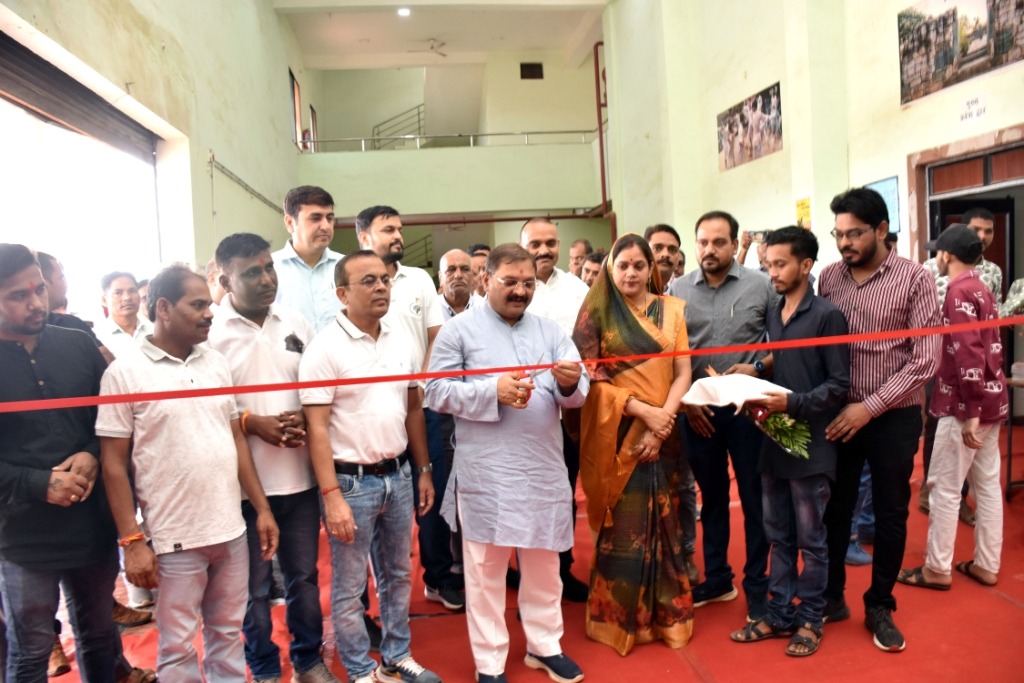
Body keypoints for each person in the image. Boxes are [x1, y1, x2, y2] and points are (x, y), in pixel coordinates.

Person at [98, 265, 280, 681]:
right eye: (197, 305)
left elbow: (236, 440)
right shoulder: (124, 373)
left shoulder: (215, 364)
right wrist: (132, 541)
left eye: (207, 305)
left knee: (227, 633)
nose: (209, 313)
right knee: (178, 645)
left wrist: (262, 509)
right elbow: (113, 465)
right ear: (163, 308)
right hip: (174, 539)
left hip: (230, 530)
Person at [426, 243, 588, 683]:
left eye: (528, 283)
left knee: (544, 564)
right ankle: (490, 662)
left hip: (541, 468)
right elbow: (435, 392)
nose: (520, 291)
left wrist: (570, 383)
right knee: (485, 571)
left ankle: (545, 645)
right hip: (487, 474)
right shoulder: (457, 331)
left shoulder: (550, 331)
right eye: (510, 282)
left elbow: (578, 391)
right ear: (486, 280)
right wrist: (489, 391)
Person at [300, 251, 440, 683]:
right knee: (349, 586)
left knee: (398, 574)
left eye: (384, 279)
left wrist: (423, 470)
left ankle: (397, 656)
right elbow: (316, 429)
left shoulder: (401, 339)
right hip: (350, 483)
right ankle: (361, 669)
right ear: (342, 294)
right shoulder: (324, 349)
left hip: (398, 475)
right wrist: (331, 496)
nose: (381, 287)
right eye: (368, 281)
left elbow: (413, 409)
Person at [0, 244, 134, 682]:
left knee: (99, 634)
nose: (36, 303)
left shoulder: (77, 344)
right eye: (18, 295)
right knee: (31, 651)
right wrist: (38, 483)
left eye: (39, 289)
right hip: (22, 535)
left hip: (91, 525)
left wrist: (93, 455)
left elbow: (115, 422)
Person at [208, 233, 337, 683]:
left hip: (299, 479)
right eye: (252, 272)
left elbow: (318, 388)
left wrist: (304, 416)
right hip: (242, 488)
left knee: (304, 578)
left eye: (269, 268)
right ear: (225, 280)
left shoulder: (295, 321)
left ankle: (307, 660)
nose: (266, 279)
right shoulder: (211, 334)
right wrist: (251, 423)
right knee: (254, 588)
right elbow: (206, 409)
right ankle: (263, 668)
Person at [818, 187, 939, 653]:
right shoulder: (830, 277)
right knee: (835, 508)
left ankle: (880, 605)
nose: (844, 243)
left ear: (882, 229)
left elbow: (925, 360)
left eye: (854, 234)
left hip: (893, 416)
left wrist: (869, 406)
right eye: (838, 234)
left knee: (889, 512)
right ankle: (831, 596)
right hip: (840, 415)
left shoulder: (915, 279)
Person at [728, 227, 849, 657]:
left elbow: (839, 385)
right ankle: (779, 613)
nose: (772, 272)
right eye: (768, 264)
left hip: (812, 446)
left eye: (780, 264)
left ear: (806, 265)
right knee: (778, 536)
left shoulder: (828, 316)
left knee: (812, 541)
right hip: (774, 442)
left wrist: (793, 402)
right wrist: (757, 370)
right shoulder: (777, 312)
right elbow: (785, 356)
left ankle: (811, 618)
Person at [572, 234, 694, 655]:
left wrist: (661, 423)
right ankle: (618, 618)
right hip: (619, 432)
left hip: (665, 432)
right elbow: (592, 378)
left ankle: (665, 616)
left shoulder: (672, 310)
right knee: (621, 528)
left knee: (666, 522)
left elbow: (683, 374)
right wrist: (643, 413)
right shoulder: (597, 313)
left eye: (639, 265)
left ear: (650, 269)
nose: (630, 273)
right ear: (610, 268)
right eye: (622, 265)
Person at [670, 211, 778, 621]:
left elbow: (783, 343)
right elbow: (670, 354)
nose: (709, 249)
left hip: (747, 409)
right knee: (712, 498)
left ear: (735, 244)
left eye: (719, 242)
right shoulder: (677, 290)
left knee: (755, 499)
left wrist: (759, 367)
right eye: (703, 242)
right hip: (698, 411)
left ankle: (758, 586)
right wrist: (686, 401)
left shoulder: (761, 286)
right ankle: (718, 579)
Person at [897, 225, 1007, 590]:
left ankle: (937, 568)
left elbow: (968, 353)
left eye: (938, 252)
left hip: (964, 405)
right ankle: (986, 565)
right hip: (991, 398)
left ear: (947, 255)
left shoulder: (958, 292)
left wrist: (970, 411)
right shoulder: (982, 288)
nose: (936, 258)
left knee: (944, 487)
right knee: (986, 485)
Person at [519, 218, 591, 602]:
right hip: (523, 416)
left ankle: (562, 570)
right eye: (535, 244)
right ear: (523, 246)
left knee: (564, 493)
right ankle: (531, 580)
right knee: (527, 499)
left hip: (569, 414)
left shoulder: (578, 290)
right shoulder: (511, 289)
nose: (544, 250)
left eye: (550, 242)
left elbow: (590, 347)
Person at [919, 207, 1002, 522]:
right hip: (941, 364)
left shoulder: (991, 273)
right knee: (936, 428)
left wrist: (974, 402)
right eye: (977, 230)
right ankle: (929, 492)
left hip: (971, 375)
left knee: (956, 471)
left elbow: (977, 338)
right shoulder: (930, 269)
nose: (982, 237)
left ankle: (955, 506)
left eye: (988, 231)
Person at [643, 225, 700, 584]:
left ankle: (685, 556)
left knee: (682, 487)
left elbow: (685, 364)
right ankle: (645, 562)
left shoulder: (679, 300)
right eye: (657, 247)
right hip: (634, 413)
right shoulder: (621, 302)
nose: (665, 254)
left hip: (677, 410)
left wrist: (668, 412)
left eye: (672, 249)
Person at [272, 185, 343, 333]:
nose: (325, 226)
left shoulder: (347, 267)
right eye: (315, 218)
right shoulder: (270, 269)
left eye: (329, 218)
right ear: (290, 223)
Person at [95, 271, 153, 359]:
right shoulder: (98, 337)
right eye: (118, 293)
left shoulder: (155, 330)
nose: (127, 297)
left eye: (132, 291)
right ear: (104, 300)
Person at [643, 224, 683, 292]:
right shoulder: (631, 292)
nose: (666, 254)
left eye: (673, 250)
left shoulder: (682, 292)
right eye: (657, 248)